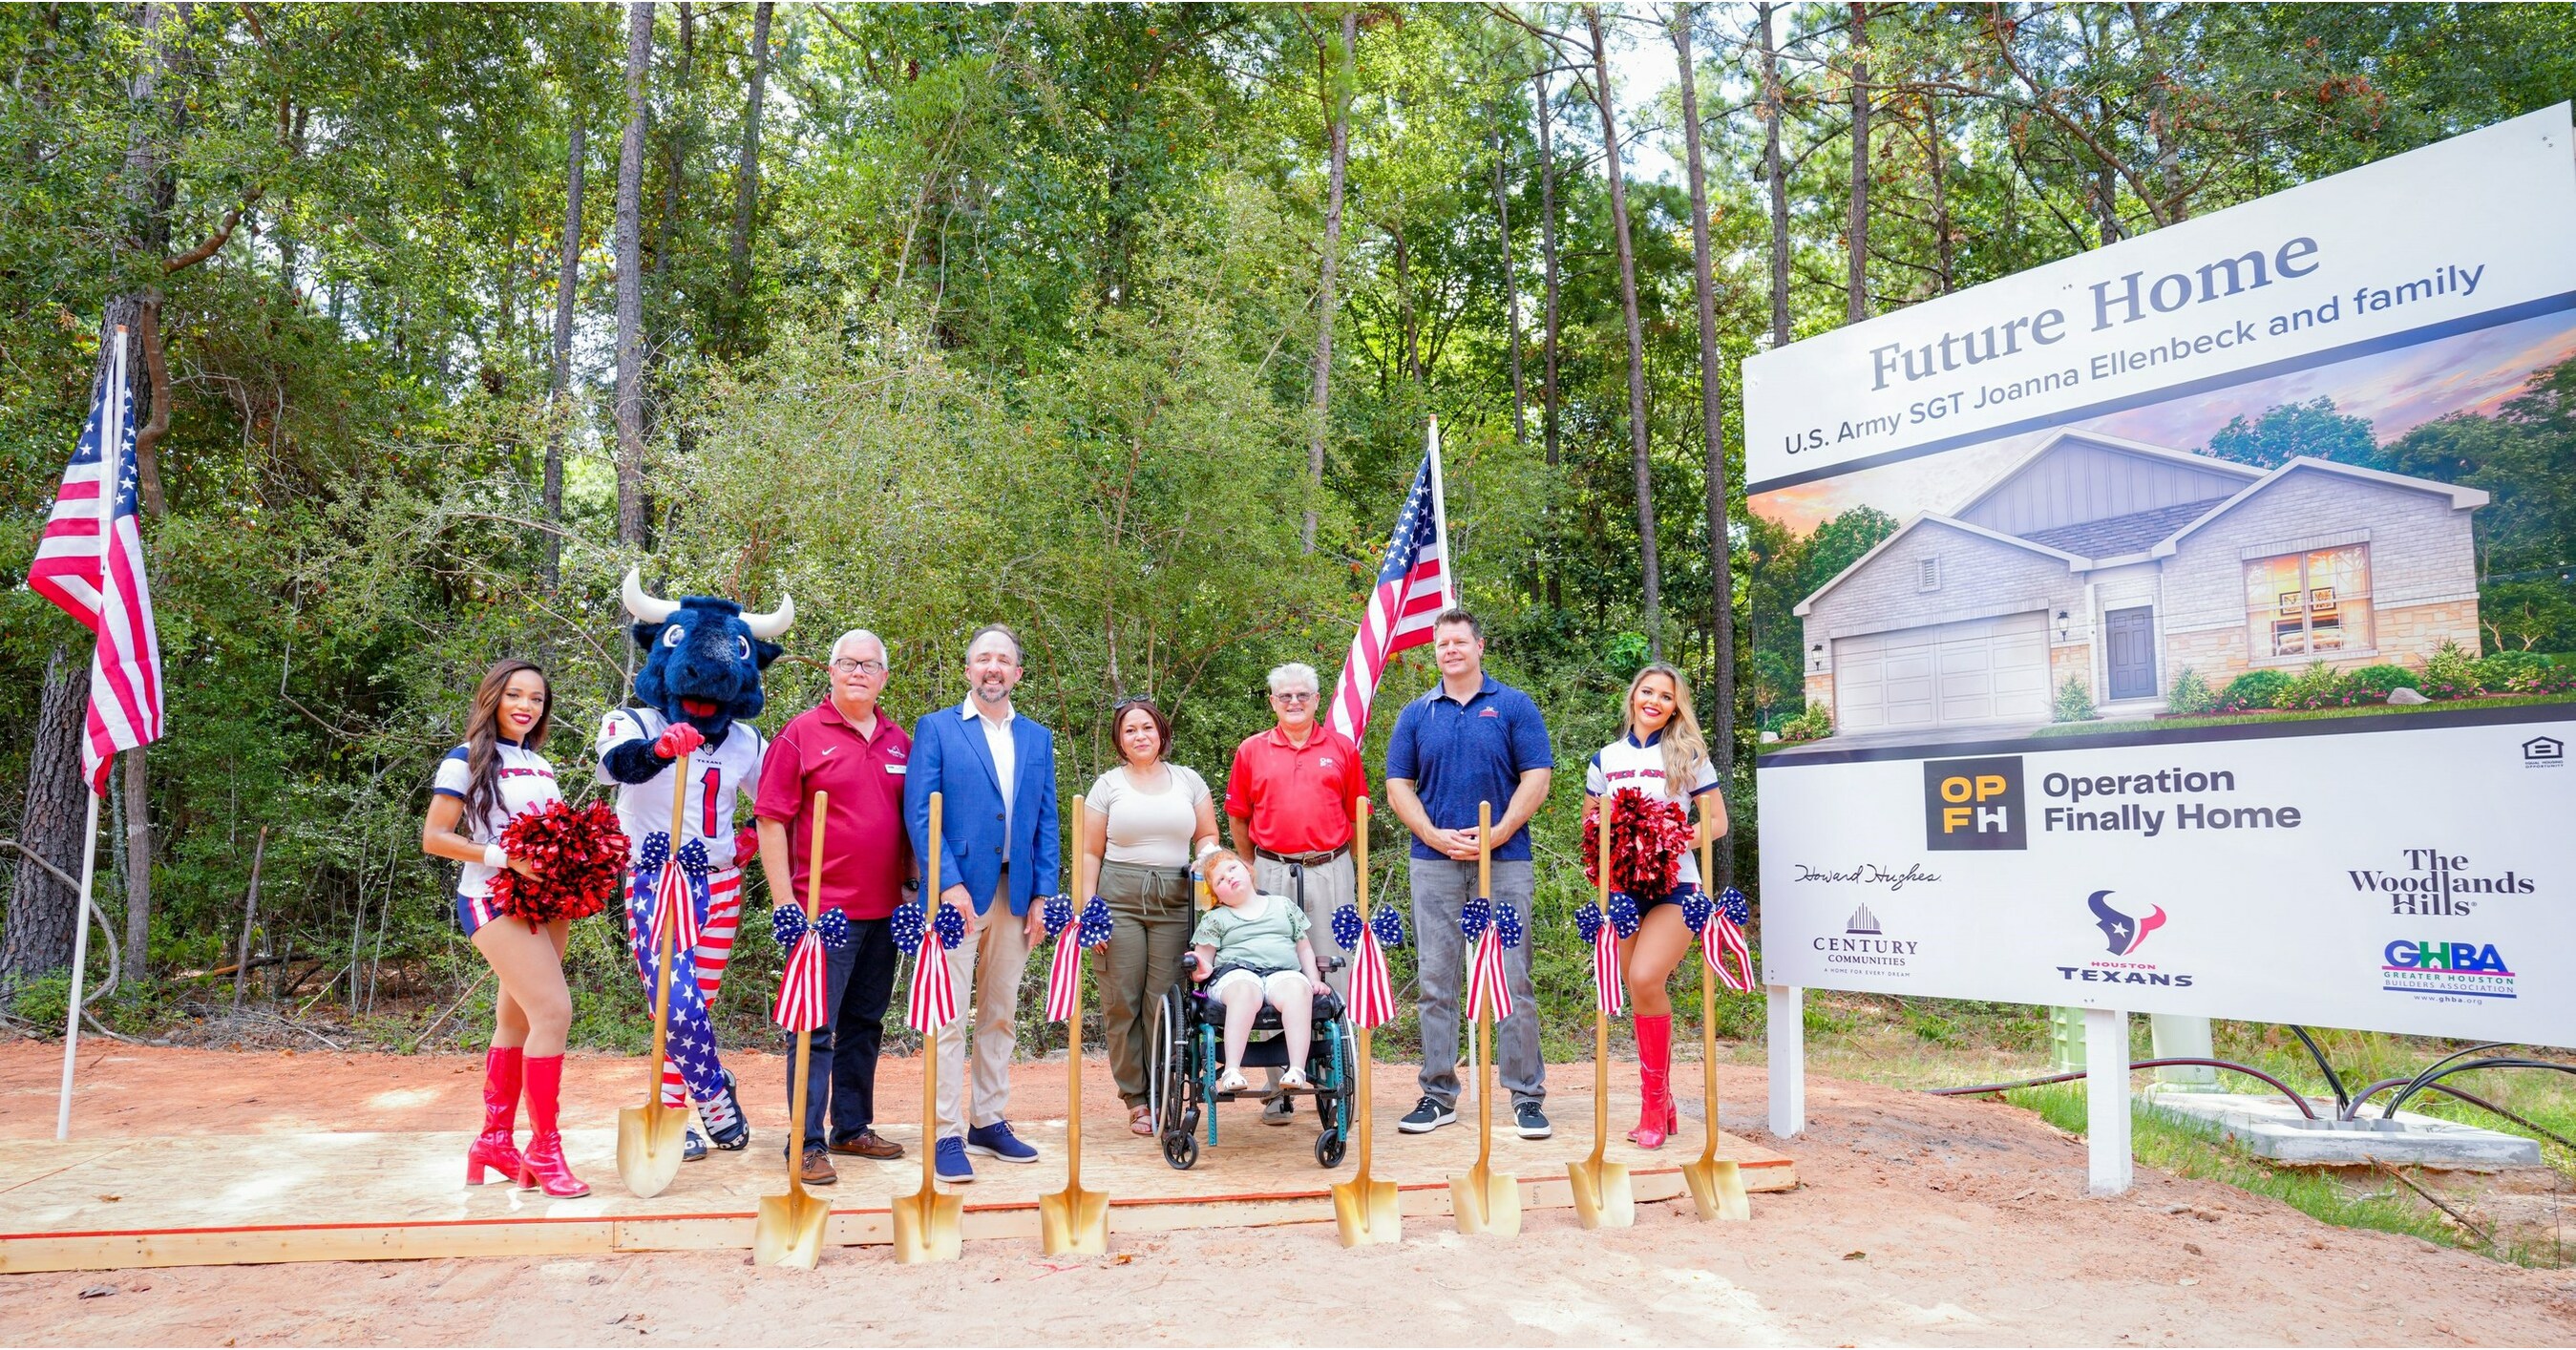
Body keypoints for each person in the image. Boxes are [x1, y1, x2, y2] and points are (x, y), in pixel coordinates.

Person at [1383, 607, 1555, 1140]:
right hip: (1433, 864)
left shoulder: (1513, 706)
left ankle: (1526, 1095)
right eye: (1442, 644)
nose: (1450, 650)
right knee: (1436, 980)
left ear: (1480, 647)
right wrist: (1434, 835)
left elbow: (1538, 776)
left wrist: (1501, 830)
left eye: (1459, 641)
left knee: (1511, 978)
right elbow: (1398, 786)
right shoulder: (1417, 714)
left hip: (1503, 861)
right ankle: (1438, 1094)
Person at [419, 659, 587, 1197]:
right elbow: (435, 838)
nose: (526, 706)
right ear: (492, 698)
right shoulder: (464, 759)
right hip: (491, 898)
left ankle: (494, 1139)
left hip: (547, 901)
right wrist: (504, 858)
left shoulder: (538, 763)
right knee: (553, 1012)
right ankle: (544, 1149)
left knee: (515, 1022)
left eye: (536, 699)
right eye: (515, 694)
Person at [756, 629, 916, 1187]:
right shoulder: (801, 733)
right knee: (813, 1028)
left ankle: (851, 1128)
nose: (858, 672)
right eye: (848, 663)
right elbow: (771, 820)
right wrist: (785, 904)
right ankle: (806, 1142)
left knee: (864, 1023)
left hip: (885, 913)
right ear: (830, 670)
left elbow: (910, 825)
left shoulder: (900, 740)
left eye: (870, 665)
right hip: (822, 914)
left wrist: (914, 888)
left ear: (883, 678)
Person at [903, 623, 1061, 1184]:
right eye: (983, 659)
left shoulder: (1037, 739)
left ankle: (987, 1120)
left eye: (1004, 661)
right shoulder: (938, 729)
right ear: (968, 670)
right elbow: (921, 812)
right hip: (956, 894)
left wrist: (1044, 893)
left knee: (1000, 1012)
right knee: (946, 1016)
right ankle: (945, 1131)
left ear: (1018, 673)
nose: (993, 668)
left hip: (1015, 893)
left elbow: (1046, 821)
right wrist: (945, 882)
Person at [1584, 662, 1729, 1150]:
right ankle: (1661, 1100)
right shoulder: (1604, 759)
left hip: (1676, 886)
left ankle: (1651, 1106)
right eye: (1647, 692)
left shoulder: (1689, 756)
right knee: (1634, 989)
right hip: (1623, 890)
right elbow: (1591, 830)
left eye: (1666, 696)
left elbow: (1717, 824)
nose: (1655, 701)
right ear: (1633, 697)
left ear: (1674, 707)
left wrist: (1668, 840)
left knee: (1646, 978)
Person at [1222, 662, 1366, 1126]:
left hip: (1329, 867)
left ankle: (1339, 1080)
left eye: (1302, 695)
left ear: (1316, 699)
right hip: (1271, 870)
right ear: (1272, 702)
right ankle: (1276, 1086)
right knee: (1270, 966)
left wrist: (1351, 870)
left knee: (1334, 967)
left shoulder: (1342, 749)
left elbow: (1356, 812)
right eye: (1285, 696)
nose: (1294, 703)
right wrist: (1251, 864)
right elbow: (1239, 816)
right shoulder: (1252, 751)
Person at [1080, 696, 1220, 1137]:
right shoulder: (1108, 785)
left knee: (1163, 1001)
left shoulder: (1189, 781)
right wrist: (1089, 912)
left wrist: (1209, 857)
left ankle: (1163, 1089)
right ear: (1120, 740)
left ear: (1160, 732)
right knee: (1121, 999)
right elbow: (1088, 852)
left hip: (1175, 899)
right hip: (1118, 897)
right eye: (1129, 730)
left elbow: (1208, 835)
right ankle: (1136, 1099)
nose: (1140, 736)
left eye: (1147, 728)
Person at [1188, 850, 1324, 1096]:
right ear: (1216, 895)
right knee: (1245, 991)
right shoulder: (1216, 918)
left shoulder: (1283, 906)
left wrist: (1314, 979)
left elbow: (1303, 947)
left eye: (1232, 869)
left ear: (1248, 870)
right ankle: (1231, 1070)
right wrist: (1200, 970)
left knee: (1298, 989)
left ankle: (1296, 1070)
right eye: (1219, 880)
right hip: (1234, 975)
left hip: (1281, 973)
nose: (1228, 877)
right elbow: (1202, 961)